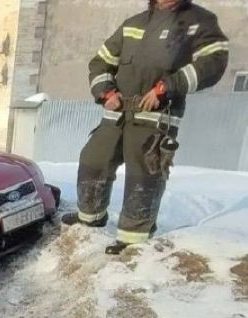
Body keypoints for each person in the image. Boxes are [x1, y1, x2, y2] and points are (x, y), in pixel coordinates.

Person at [62, 0, 228, 254]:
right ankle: (91, 217)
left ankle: (133, 239)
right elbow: (100, 61)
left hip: (157, 114)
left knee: (143, 174)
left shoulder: (198, 21)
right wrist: (106, 92)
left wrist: (167, 87)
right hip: (118, 112)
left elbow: (215, 61)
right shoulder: (134, 23)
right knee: (93, 159)